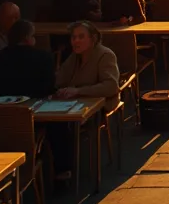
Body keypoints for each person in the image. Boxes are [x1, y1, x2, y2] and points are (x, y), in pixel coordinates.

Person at [50, 21, 120, 180]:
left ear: (93, 38)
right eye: (73, 37)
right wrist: (59, 88)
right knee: (54, 123)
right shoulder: (73, 57)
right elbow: (60, 79)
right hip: (73, 105)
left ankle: (68, 170)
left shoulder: (105, 55)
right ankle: (61, 169)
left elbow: (111, 86)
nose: (76, 41)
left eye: (81, 37)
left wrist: (79, 91)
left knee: (67, 126)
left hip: (100, 106)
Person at [0, 20, 57, 100]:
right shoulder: (44, 57)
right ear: (27, 38)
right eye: (33, 36)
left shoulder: (0, 56)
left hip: (5, 105)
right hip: (35, 106)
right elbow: (49, 88)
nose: (35, 39)